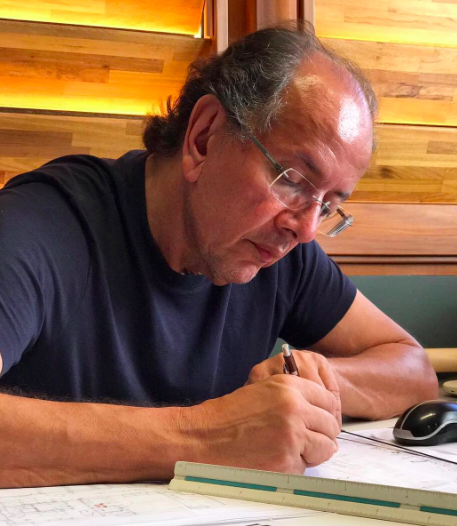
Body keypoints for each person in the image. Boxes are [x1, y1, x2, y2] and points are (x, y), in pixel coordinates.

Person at [0, 23, 438, 488]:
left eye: (329, 205)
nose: (307, 230)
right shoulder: (42, 225)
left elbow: (413, 370)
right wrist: (206, 437)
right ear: (204, 137)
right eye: (292, 179)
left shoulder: (280, 251)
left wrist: (315, 381)